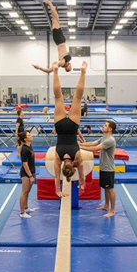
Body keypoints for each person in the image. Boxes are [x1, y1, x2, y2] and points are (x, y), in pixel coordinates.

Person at [52, 60, 87, 197]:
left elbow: (82, 175)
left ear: (73, 167)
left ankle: (83, 72)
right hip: (60, 126)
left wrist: (82, 184)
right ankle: (55, 71)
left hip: (72, 127)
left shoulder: (77, 158)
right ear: (63, 167)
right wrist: (57, 191)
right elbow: (56, 178)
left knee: (77, 98)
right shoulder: (58, 158)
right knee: (58, 97)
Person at [79, 120, 117, 217]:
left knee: (110, 189)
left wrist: (80, 148)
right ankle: (106, 205)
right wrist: (79, 144)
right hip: (103, 167)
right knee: (105, 188)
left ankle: (112, 210)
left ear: (110, 129)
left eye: (105, 125)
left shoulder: (110, 140)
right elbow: (92, 143)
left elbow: (95, 148)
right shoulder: (104, 137)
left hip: (108, 168)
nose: (103, 126)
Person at [32, 0, 72, 73]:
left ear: (66, 66)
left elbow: (50, 70)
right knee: (55, 18)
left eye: (69, 65)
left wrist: (40, 67)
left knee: (56, 18)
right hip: (59, 40)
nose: (69, 64)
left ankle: (50, 3)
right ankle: (49, 4)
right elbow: (49, 71)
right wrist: (40, 68)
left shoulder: (63, 62)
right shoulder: (66, 61)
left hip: (60, 40)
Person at [17, 131, 37, 218]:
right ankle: (22, 213)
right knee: (24, 192)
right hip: (26, 173)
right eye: (29, 135)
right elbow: (25, 164)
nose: (31, 135)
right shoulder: (24, 149)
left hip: (31, 171)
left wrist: (33, 173)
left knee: (27, 192)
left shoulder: (30, 146)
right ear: (25, 139)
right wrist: (30, 176)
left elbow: (31, 161)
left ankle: (26, 207)